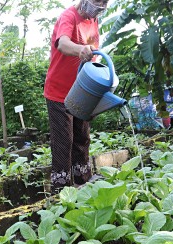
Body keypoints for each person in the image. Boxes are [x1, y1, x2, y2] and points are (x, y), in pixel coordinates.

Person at [44, 0, 107, 191]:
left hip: (82, 90)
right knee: (64, 140)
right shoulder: (69, 16)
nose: (100, 5)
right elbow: (62, 43)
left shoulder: (94, 20)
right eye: (97, 0)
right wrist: (80, 50)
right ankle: (62, 191)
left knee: (82, 137)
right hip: (59, 92)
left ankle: (83, 181)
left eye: (104, 1)